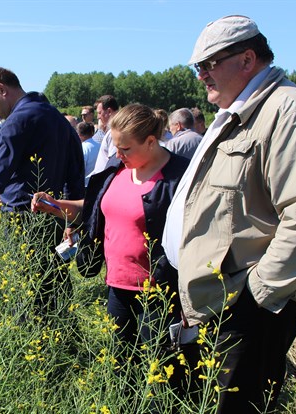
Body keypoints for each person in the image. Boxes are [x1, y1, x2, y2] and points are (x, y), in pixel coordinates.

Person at [163, 15, 296, 412]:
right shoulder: (237, 111)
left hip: (248, 306)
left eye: (210, 64)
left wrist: (258, 294)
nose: (201, 75)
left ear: (247, 58)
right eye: (198, 67)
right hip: (218, 298)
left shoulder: (290, 113)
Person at [32, 103, 189, 381]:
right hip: (117, 286)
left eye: (125, 148)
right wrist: (56, 205)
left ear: (151, 142)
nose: (117, 154)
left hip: (160, 292)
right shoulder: (116, 169)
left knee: (158, 369)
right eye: (116, 146)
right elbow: (92, 208)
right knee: (120, 364)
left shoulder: (181, 177)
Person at [0, 67, 85, 316]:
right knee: (54, 281)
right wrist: (69, 219)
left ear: (1, 89)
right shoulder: (58, 120)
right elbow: (74, 175)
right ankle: (64, 338)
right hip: (54, 217)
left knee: (25, 288)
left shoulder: (16, 121)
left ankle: (28, 342)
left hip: (21, 219)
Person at [90, 95, 120, 176]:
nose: (98, 117)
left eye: (100, 113)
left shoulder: (114, 132)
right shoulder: (113, 130)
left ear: (109, 111)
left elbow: (113, 164)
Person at [77, 121, 99, 186]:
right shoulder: (100, 146)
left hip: (85, 185)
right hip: (98, 184)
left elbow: (80, 169)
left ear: (79, 135)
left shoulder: (82, 148)